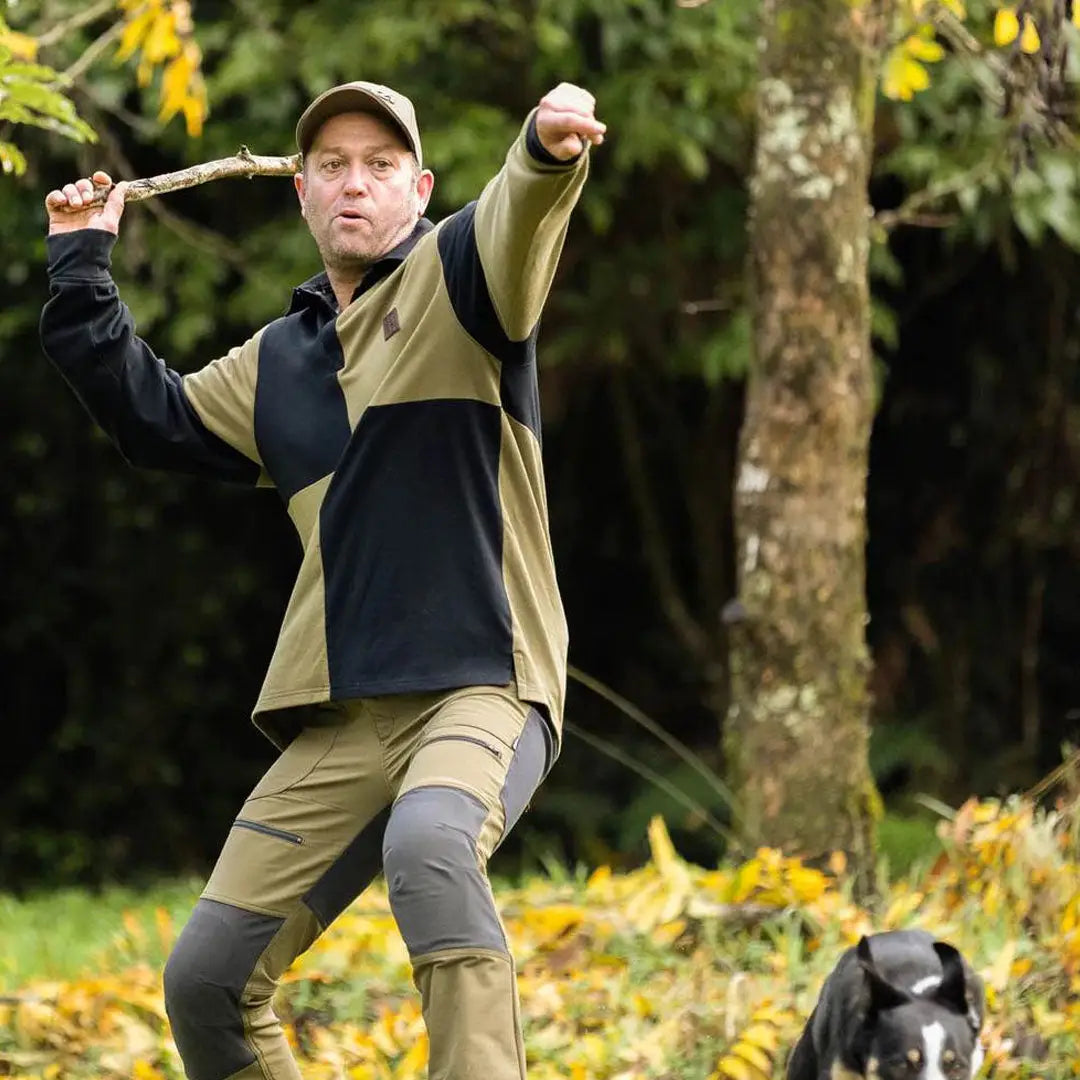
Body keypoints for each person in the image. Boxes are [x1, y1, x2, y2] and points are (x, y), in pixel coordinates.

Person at [40, 79, 605, 1080]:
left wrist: (545, 145)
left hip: (482, 683)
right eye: (332, 167)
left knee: (431, 850)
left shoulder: (463, 277)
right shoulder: (277, 364)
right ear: (301, 192)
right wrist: (82, 267)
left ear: (418, 186)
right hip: (345, 716)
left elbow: (521, 210)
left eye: (380, 167)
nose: (356, 185)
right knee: (208, 981)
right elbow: (153, 419)